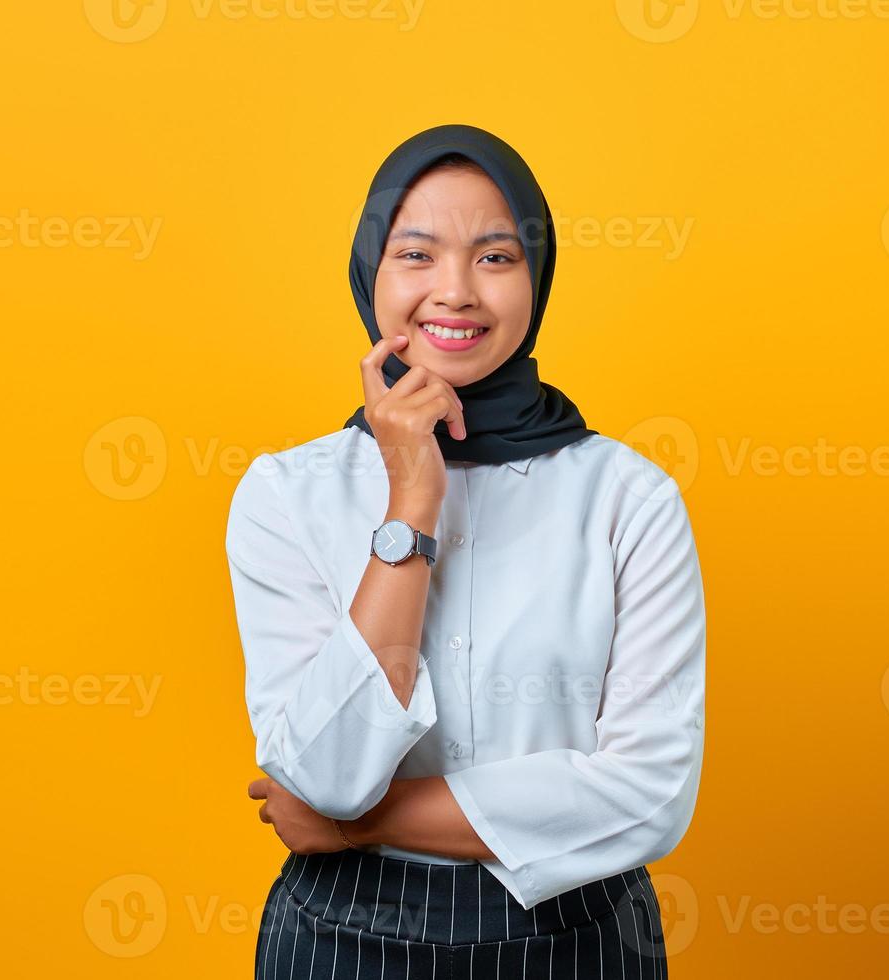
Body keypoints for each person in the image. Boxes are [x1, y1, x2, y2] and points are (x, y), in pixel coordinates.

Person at [228, 123, 706, 979]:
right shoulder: (286, 494)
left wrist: (360, 824)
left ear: (537, 278)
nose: (454, 293)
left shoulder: (627, 498)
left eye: (493, 257)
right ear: (370, 270)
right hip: (339, 940)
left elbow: (649, 796)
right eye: (416, 255)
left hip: (578, 940)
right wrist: (412, 496)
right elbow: (330, 772)